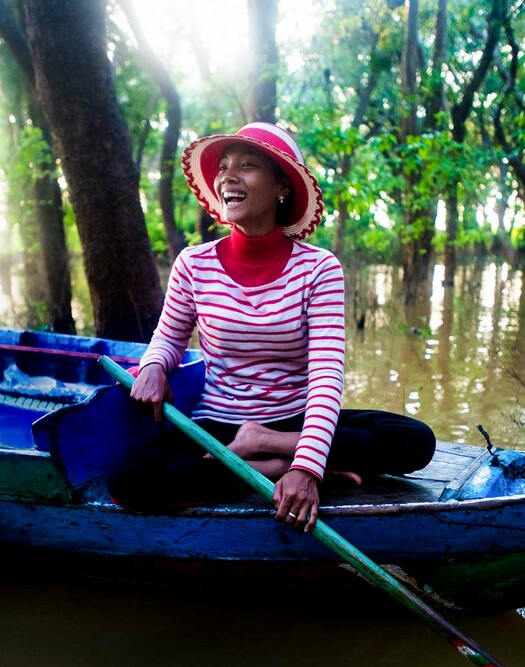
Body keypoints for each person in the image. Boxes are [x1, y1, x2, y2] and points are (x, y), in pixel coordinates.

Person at [107, 122, 436, 533]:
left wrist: (306, 466)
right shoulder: (194, 264)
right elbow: (169, 337)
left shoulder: (318, 268)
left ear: (282, 186)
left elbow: (326, 376)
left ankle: (269, 449)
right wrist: (154, 366)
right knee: (127, 482)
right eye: (224, 166)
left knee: (414, 440)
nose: (228, 174)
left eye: (247, 165)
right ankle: (272, 466)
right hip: (221, 423)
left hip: (296, 420)